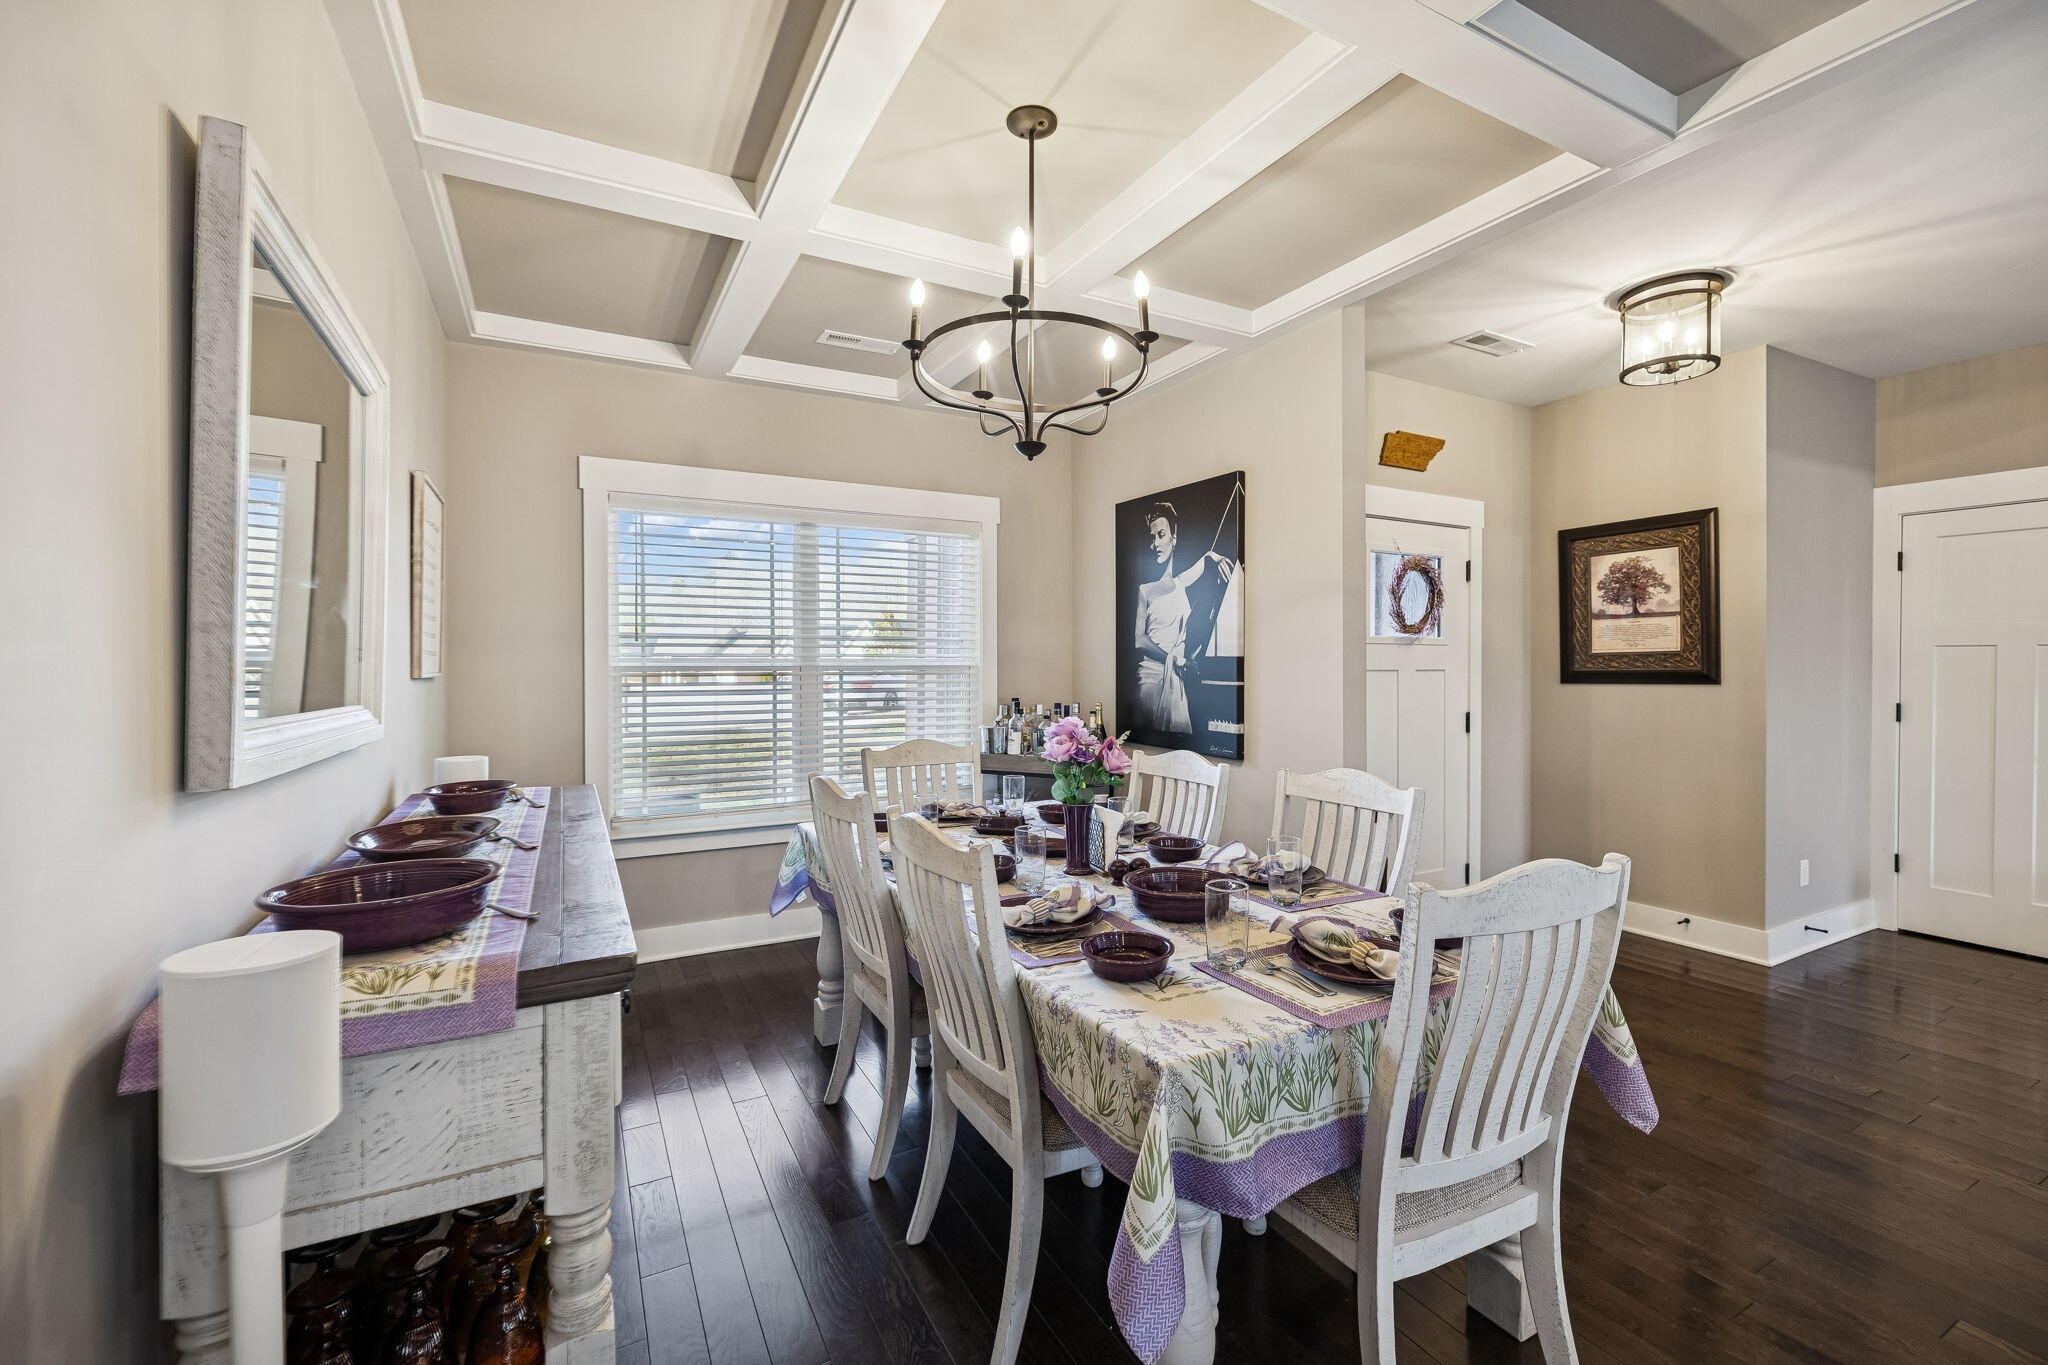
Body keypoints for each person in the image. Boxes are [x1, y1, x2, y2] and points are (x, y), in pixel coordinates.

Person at [1133, 502, 1235, 738]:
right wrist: (1175, 659)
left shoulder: (1180, 583)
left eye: (1161, 535)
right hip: (1151, 679)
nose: (1156, 543)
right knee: (1152, 741)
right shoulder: (1145, 590)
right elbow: (1139, 640)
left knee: (1178, 744)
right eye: (1152, 538)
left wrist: (1216, 557)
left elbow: (1206, 559)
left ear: (1174, 538)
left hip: (1176, 680)